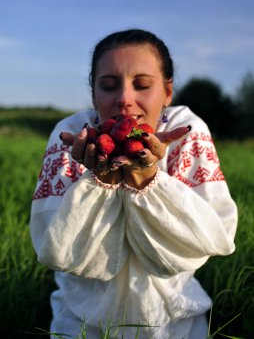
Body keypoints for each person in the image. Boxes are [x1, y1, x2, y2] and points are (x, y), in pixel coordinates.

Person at [30, 29, 237, 339]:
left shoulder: (185, 132)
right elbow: (58, 251)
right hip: (81, 324)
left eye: (142, 85)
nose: (125, 100)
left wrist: (149, 180)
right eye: (109, 86)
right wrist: (100, 182)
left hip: (174, 324)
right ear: (93, 94)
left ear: (167, 92)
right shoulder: (74, 136)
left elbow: (207, 241)